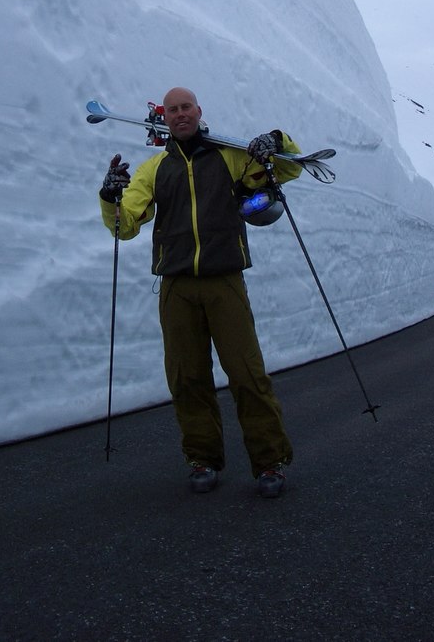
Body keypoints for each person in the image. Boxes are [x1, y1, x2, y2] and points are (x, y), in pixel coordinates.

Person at [98, 87, 303, 497]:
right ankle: (202, 459)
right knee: (187, 378)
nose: (179, 114)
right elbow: (125, 226)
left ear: (198, 111)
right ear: (164, 118)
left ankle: (270, 463)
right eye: (172, 110)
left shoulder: (229, 157)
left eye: (185, 107)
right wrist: (110, 196)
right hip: (175, 287)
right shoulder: (154, 169)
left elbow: (287, 169)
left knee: (246, 373)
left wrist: (276, 142)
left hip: (224, 281)